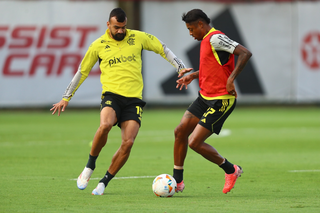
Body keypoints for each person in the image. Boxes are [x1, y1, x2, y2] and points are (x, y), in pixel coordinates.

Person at [50, 8, 192, 195]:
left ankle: (104, 182)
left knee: (128, 142)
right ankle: (89, 166)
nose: (120, 31)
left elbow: (162, 48)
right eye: (117, 27)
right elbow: (82, 71)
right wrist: (66, 97)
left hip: (134, 100)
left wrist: (179, 66)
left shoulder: (138, 37)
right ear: (108, 24)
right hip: (112, 96)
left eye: (123, 27)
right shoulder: (98, 45)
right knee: (105, 125)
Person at [172, 9, 252, 194]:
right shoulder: (207, 40)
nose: (191, 33)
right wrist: (193, 75)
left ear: (201, 24)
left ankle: (231, 170)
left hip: (221, 100)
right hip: (205, 97)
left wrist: (231, 80)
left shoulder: (215, 37)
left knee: (194, 143)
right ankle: (177, 181)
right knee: (180, 131)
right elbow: (214, 67)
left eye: (191, 29)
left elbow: (245, 53)